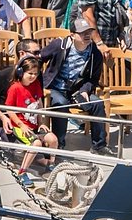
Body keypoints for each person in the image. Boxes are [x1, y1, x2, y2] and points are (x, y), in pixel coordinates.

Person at [39, 16, 108, 154]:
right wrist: (39, 82)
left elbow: (93, 79)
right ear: (72, 35)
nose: (87, 35)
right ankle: (59, 144)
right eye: (82, 33)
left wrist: (85, 90)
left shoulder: (95, 53)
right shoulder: (60, 45)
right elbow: (39, 58)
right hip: (55, 88)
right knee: (61, 103)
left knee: (98, 104)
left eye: (89, 32)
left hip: (77, 91)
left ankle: (99, 145)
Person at [4, 57, 57, 186]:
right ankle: (22, 172)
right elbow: (9, 110)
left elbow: (38, 105)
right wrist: (21, 125)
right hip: (20, 126)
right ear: (21, 72)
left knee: (53, 139)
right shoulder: (15, 88)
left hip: (34, 125)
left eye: (36, 74)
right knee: (37, 143)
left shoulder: (36, 85)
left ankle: (50, 164)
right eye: (30, 74)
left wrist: (42, 123)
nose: (33, 76)